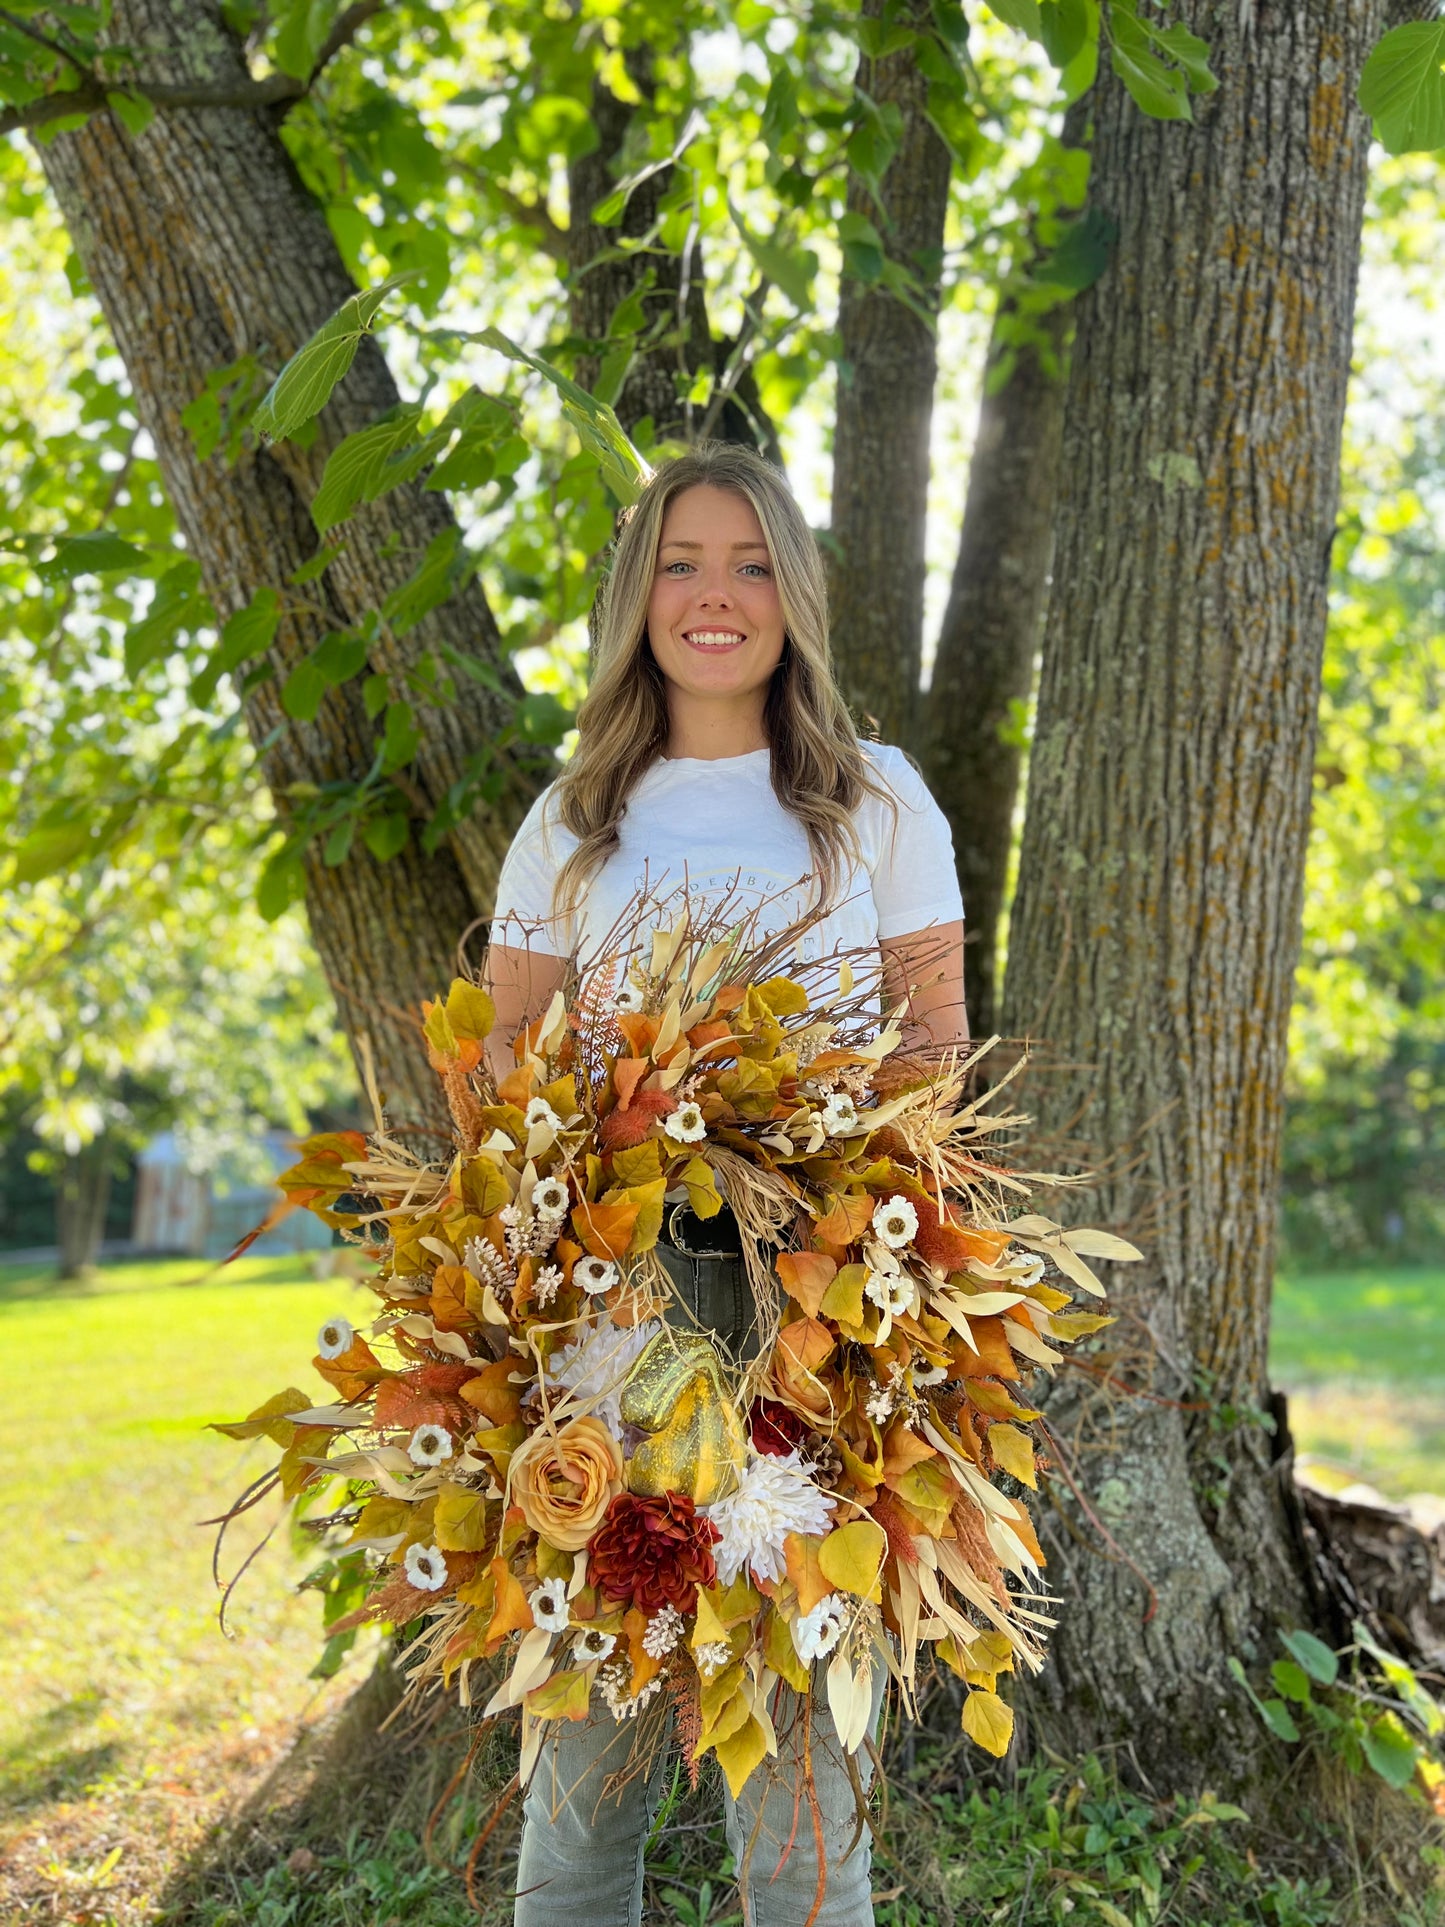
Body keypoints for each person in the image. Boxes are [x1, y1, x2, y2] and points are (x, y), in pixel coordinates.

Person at [482, 440, 968, 1927]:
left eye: (751, 563)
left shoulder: (871, 800)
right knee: (579, 1798)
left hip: (811, 1338)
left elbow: (931, 1061)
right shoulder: (576, 814)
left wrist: (854, 1265)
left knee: (804, 1814)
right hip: (607, 1343)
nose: (716, 595)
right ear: (640, 595)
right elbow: (500, 1071)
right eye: (682, 563)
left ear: (794, 595)